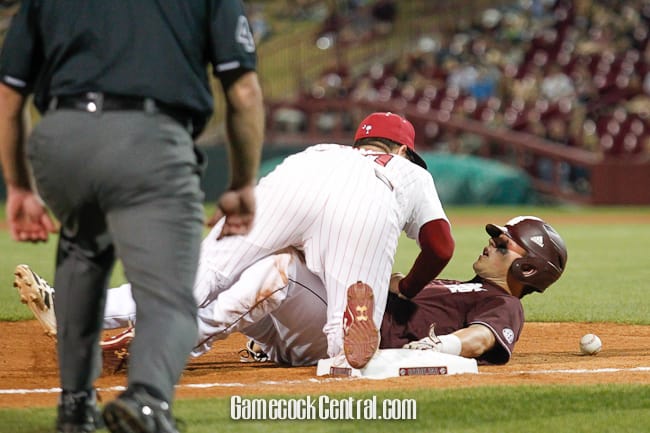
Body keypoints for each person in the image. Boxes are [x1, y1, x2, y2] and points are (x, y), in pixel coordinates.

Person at [15, 111, 454, 373]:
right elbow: (440, 247)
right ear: (400, 150)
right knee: (347, 344)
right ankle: (344, 344)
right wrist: (409, 288)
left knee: (200, 277)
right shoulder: (408, 171)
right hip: (369, 199)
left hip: (298, 178)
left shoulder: (323, 152)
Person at [0, 1, 264, 433]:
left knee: (82, 254)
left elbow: (9, 95)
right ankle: (146, 399)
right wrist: (241, 183)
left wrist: (19, 187)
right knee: (168, 294)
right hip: (152, 138)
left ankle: (76, 406)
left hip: (62, 139)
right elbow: (244, 91)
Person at [17, 215, 566, 369]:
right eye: (498, 236)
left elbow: (480, 340)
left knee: (275, 269)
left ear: (530, 270)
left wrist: (438, 349)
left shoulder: (504, 303)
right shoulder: (462, 283)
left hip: (355, 338)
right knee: (236, 260)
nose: (494, 241)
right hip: (327, 325)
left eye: (508, 243)